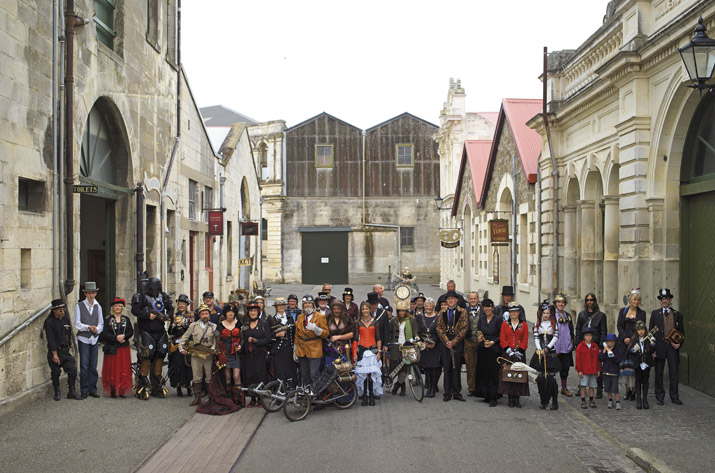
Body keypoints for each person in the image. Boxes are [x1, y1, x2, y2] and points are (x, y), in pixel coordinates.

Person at [131, 276, 173, 399]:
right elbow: (135, 310)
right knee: (146, 355)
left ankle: (157, 385)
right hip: (146, 330)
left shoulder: (163, 296)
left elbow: (170, 309)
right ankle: (143, 384)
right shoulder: (141, 297)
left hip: (160, 330)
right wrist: (146, 315)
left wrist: (166, 316)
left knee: (160, 354)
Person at [649, 288, 684, 405]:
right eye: (662, 299)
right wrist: (652, 349)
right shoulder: (655, 314)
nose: (664, 301)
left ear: (670, 300)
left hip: (672, 347)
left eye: (667, 299)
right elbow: (651, 333)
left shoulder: (677, 315)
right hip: (659, 347)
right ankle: (659, 396)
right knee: (659, 372)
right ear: (660, 301)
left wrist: (679, 344)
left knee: (673, 372)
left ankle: (674, 396)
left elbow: (682, 332)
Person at [180, 304, 218, 406]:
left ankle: (211, 399)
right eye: (202, 314)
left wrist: (212, 350)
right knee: (196, 377)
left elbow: (216, 340)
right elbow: (184, 338)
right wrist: (181, 348)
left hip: (208, 355)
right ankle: (197, 398)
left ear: (209, 315)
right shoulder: (193, 326)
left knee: (209, 378)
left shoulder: (213, 326)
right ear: (199, 315)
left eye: (206, 313)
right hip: (196, 355)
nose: (204, 315)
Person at [44, 299, 81, 400]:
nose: (62, 311)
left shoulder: (65, 320)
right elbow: (50, 339)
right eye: (59, 310)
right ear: (54, 311)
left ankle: (72, 391)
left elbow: (68, 334)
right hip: (55, 351)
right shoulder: (49, 322)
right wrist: (54, 354)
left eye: (62, 309)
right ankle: (57, 392)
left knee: (72, 369)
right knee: (56, 371)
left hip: (65, 350)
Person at [436, 291, 468, 402]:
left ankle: (457, 392)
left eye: (452, 299)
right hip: (445, 343)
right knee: (447, 367)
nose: (450, 301)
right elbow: (439, 328)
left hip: (457, 342)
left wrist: (453, 342)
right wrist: (446, 341)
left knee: (456, 367)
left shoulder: (462, 312)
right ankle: (447, 392)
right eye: (448, 299)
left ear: (456, 300)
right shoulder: (442, 312)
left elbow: (465, 328)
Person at [99, 297, 134, 398]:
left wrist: (124, 337)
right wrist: (116, 338)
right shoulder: (108, 320)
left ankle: (122, 389)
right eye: (116, 306)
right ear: (112, 308)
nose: (118, 308)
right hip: (112, 348)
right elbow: (104, 333)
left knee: (123, 368)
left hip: (123, 347)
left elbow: (130, 331)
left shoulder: (126, 319)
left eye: (119, 306)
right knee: (112, 368)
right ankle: (113, 389)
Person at [74, 281, 104, 398]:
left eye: (93, 293)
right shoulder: (79, 306)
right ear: (85, 294)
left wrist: (97, 329)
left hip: (94, 338)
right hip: (84, 338)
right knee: (84, 365)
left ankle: (93, 388)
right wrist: (87, 327)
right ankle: (84, 389)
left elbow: (101, 323)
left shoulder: (98, 306)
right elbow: (77, 323)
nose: (91, 295)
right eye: (89, 293)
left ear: (95, 294)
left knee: (93, 365)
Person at [575, 293, 607, 398]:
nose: (589, 302)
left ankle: (599, 389)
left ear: (594, 301)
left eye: (591, 300)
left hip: (595, 344)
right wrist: (577, 343)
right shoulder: (581, 314)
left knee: (597, 367)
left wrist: (601, 346)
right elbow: (578, 329)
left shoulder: (601, 316)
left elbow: (603, 331)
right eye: (587, 300)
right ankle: (582, 387)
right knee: (584, 366)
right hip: (584, 344)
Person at [617, 291, 646, 402]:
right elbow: (619, 325)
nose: (636, 302)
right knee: (625, 366)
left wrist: (633, 340)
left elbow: (642, 328)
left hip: (635, 342)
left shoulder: (642, 313)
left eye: (638, 300)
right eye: (634, 300)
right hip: (623, 342)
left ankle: (634, 390)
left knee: (634, 366)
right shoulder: (623, 311)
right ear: (630, 300)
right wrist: (624, 337)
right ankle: (627, 390)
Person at [241, 300, 272, 406]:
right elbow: (242, 338)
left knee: (260, 376)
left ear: (258, 312)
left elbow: (268, 339)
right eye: (251, 311)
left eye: (255, 310)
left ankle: (260, 399)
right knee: (250, 376)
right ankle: (252, 398)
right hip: (248, 356)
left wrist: (256, 341)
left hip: (260, 355)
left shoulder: (264, 323)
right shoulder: (245, 324)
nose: (253, 313)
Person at [530, 302, 561, 410]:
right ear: (541, 314)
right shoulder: (537, 325)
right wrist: (539, 349)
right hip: (540, 354)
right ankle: (543, 401)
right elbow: (536, 338)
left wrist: (547, 347)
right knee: (541, 378)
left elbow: (556, 337)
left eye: (548, 313)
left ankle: (554, 401)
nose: (546, 315)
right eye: (544, 313)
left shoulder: (554, 325)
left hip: (550, 352)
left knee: (551, 379)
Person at [294, 295, 328, 389]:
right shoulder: (300, 317)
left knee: (314, 375)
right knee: (305, 375)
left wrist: (316, 329)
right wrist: (295, 349)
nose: (307, 305)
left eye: (309, 303)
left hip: (314, 349)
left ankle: (317, 396)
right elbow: (297, 335)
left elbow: (326, 333)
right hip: (302, 350)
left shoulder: (320, 316)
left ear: (313, 305)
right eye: (305, 303)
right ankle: (308, 396)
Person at [499, 302, 529, 407]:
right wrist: (508, 350)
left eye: (515, 311)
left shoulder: (524, 325)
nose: (513, 314)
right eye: (512, 312)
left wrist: (520, 350)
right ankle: (510, 397)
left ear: (519, 312)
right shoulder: (504, 324)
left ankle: (517, 397)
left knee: (519, 375)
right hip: (508, 353)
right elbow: (502, 338)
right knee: (509, 374)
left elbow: (525, 339)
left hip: (519, 353)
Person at [353, 301, 383, 406]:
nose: (365, 311)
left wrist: (379, 352)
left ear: (370, 309)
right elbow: (355, 339)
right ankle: (365, 396)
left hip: (373, 349)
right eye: (363, 309)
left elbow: (378, 338)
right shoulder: (358, 323)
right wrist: (354, 353)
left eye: (366, 309)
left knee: (371, 374)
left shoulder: (375, 322)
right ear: (360, 311)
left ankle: (371, 396)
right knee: (363, 374)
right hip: (361, 349)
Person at [389, 303, 418, 396]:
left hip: (407, 346)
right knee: (396, 367)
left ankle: (397, 385)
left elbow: (415, 332)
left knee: (405, 367)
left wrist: (416, 337)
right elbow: (390, 333)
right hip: (396, 346)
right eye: (399, 311)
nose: (401, 313)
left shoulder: (412, 319)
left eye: (403, 311)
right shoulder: (393, 320)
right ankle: (402, 386)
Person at [476, 299, 500, 406]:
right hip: (483, 348)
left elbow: (501, 334)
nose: (487, 309)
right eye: (485, 307)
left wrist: (493, 342)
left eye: (489, 307)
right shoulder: (481, 319)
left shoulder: (498, 320)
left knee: (493, 373)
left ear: (493, 307)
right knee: (484, 371)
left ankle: (494, 397)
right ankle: (486, 394)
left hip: (493, 349)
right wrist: (480, 338)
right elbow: (479, 331)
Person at [168, 294, 193, 397]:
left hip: (187, 343)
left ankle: (188, 386)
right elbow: (170, 331)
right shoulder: (174, 316)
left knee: (188, 365)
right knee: (177, 365)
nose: (181, 306)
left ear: (187, 305)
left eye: (183, 304)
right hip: (177, 343)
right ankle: (178, 386)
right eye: (180, 304)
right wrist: (173, 325)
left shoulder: (191, 316)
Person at [268, 298, 296, 389]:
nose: (281, 307)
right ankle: (280, 392)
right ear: (276, 307)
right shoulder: (271, 320)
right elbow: (267, 336)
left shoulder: (290, 318)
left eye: (283, 305)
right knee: (279, 372)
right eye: (279, 305)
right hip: (278, 350)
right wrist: (276, 335)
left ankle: (290, 392)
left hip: (289, 350)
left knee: (290, 371)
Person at [218, 303, 243, 405]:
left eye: (232, 312)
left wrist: (240, 346)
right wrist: (218, 357)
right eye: (228, 312)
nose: (230, 314)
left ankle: (239, 399)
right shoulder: (220, 325)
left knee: (236, 375)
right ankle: (229, 398)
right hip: (225, 353)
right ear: (225, 313)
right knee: (227, 376)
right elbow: (217, 341)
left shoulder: (239, 324)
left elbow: (243, 338)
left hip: (235, 354)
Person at [417, 297, 441, 398]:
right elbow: (419, 331)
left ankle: (433, 389)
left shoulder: (438, 317)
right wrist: (424, 342)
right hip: (425, 347)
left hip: (435, 346)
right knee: (427, 369)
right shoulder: (421, 317)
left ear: (433, 307)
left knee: (434, 369)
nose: (428, 308)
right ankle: (428, 389)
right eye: (427, 306)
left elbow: (439, 332)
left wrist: (433, 342)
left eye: (430, 306)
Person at [552, 293, 575, 397]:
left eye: (562, 302)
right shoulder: (552, 316)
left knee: (565, 368)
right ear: (555, 303)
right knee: (553, 368)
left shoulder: (568, 316)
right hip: (555, 346)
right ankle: (552, 387)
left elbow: (571, 330)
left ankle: (564, 388)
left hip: (566, 346)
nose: (561, 304)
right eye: (558, 302)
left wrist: (572, 342)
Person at [629, 320, 653, 409]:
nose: (641, 331)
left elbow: (652, 350)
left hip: (646, 363)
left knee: (645, 381)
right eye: (639, 330)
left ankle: (645, 400)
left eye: (642, 329)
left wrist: (653, 344)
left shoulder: (648, 339)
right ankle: (638, 400)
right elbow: (629, 351)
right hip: (638, 363)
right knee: (638, 381)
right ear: (636, 331)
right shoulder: (634, 339)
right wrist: (633, 350)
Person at [575, 327, 600, 409]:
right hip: (584, 370)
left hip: (593, 370)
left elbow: (598, 359)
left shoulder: (595, 346)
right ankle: (583, 399)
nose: (588, 337)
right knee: (583, 385)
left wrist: (598, 369)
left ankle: (591, 399)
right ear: (584, 337)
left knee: (592, 385)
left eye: (590, 335)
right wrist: (579, 370)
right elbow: (578, 359)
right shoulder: (580, 346)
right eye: (587, 335)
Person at [325, 300, 354, 366]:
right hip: (330, 350)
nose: (337, 311)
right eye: (334, 309)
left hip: (344, 349)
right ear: (331, 309)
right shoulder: (327, 318)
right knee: (330, 371)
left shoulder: (347, 318)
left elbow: (352, 334)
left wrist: (338, 337)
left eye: (339, 309)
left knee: (344, 371)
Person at [599, 333, 624, 410]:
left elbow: (618, 360)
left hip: (614, 371)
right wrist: (604, 351)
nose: (611, 343)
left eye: (612, 341)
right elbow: (600, 358)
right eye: (609, 341)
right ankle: (610, 400)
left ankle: (617, 401)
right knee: (608, 387)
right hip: (606, 370)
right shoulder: (605, 349)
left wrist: (613, 356)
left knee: (615, 387)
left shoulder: (617, 350)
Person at [464, 291, 481, 397]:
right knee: (470, 365)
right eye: (471, 299)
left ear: (478, 299)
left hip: (480, 342)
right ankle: (471, 387)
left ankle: (480, 386)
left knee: (480, 365)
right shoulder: (465, 311)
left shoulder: (484, 311)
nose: (473, 300)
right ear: (468, 300)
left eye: (475, 298)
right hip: (469, 341)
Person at [367, 291, 391, 362]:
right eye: (372, 304)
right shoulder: (366, 313)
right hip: (369, 343)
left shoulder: (383, 313)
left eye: (375, 304)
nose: (374, 306)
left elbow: (386, 330)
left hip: (381, 341)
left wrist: (385, 344)